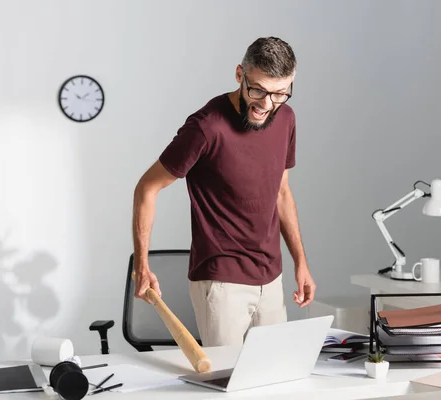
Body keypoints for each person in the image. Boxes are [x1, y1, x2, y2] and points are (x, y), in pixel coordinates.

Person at [131, 36, 316, 347]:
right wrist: (142, 263)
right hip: (221, 281)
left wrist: (301, 261)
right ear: (239, 75)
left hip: (271, 277)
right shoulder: (206, 127)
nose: (266, 105)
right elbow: (147, 187)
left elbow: (281, 192)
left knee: (274, 381)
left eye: (280, 93)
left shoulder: (286, 118)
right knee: (225, 387)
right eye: (258, 90)